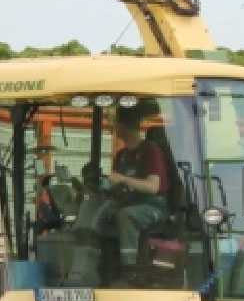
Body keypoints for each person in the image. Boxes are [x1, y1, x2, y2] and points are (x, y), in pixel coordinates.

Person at [64, 102, 171, 284]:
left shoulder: (150, 150)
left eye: (117, 123)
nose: (114, 127)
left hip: (153, 206)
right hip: (126, 202)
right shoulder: (121, 156)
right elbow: (115, 188)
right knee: (95, 211)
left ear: (126, 124)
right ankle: (92, 267)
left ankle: (130, 270)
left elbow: (153, 186)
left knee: (125, 215)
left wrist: (122, 179)